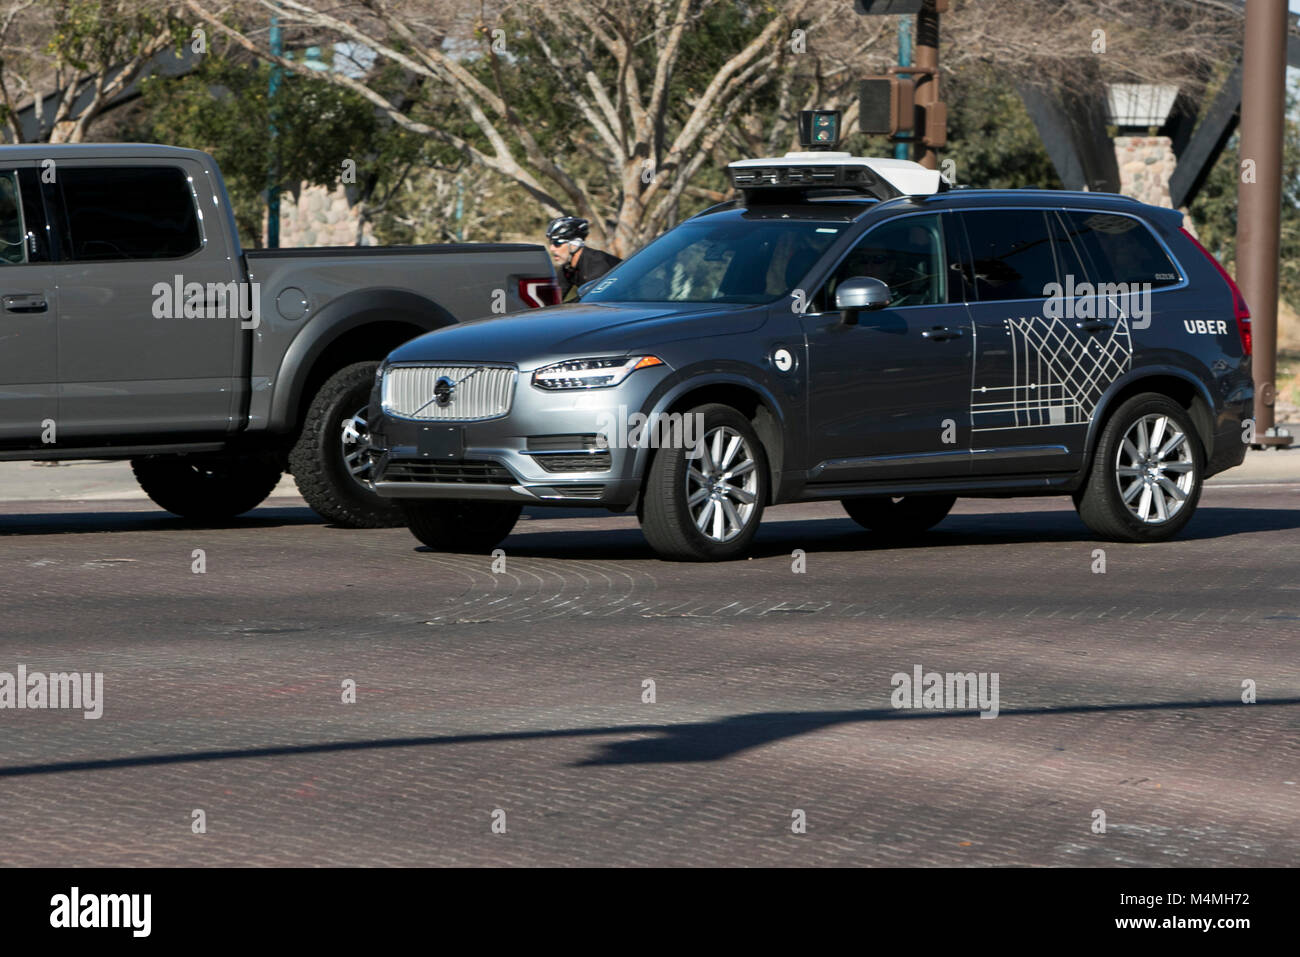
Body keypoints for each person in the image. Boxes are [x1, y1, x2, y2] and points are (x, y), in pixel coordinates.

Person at [546, 216, 621, 301]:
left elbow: (591, 301)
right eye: (551, 243)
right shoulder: (568, 267)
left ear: (574, 244)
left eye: (557, 243)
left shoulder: (597, 264)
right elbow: (552, 299)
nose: (551, 248)